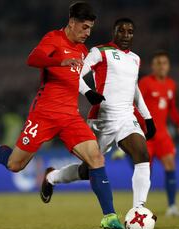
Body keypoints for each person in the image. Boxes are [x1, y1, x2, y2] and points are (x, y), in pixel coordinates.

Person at [0, 2, 124, 229]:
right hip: (44, 115)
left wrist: (89, 92)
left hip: (71, 116)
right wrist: (58, 61)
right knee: (15, 165)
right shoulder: (53, 38)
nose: (87, 32)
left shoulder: (83, 51)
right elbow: (33, 58)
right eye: (84, 27)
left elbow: (76, 79)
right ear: (72, 22)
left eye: (90, 28)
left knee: (96, 158)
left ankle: (109, 215)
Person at [41, 18, 156, 209]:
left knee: (142, 155)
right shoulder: (99, 52)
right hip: (102, 119)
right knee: (87, 171)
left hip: (127, 117)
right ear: (114, 32)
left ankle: (139, 210)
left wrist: (148, 117)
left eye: (130, 32)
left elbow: (134, 89)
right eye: (122, 31)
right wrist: (88, 92)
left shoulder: (135, 58)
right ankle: (52, 177)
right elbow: (74, 74)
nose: (126, 35)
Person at [136, 50, 179, 217]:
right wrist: (139, 127)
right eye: (158, 63)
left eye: (164, 63)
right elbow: (135, 105)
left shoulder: (171, 84)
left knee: (171, 165)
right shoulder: (145, 83)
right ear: (153, 66)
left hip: (163, 135)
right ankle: (139, 208)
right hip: (147, 135)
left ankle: (172, 206)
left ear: (169, 66)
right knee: (144, 171)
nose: (162, 66)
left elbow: (172, 107)